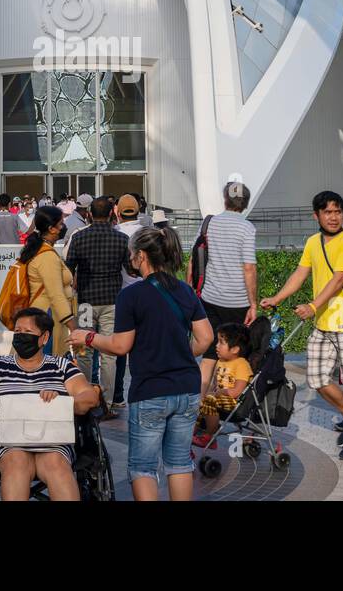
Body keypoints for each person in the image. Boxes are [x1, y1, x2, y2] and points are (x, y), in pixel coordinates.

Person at [69, 225, 213, 500]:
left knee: (143, 467)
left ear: (142, 256)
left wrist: (87, 337)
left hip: (151, 390)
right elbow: (205, 338)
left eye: (132, 253)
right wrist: (179, 351)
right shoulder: (184, 290)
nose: (130, 258)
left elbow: (120, 346)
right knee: (179, 462)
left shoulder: (131, 295)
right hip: (187, 388)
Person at [261, 191, 343, 461]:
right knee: (317, 379)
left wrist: (312, 306)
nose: (333, 217)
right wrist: (278, 297)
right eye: (327, 212)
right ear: (317, 215)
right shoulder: (313, 242)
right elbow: (300, 273)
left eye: (337, 211)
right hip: (324, 323)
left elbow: (338, 280)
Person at [0, 308, 101, 501]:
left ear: (44, 338)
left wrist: (62, 401)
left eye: (27, 332)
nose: (21, 336)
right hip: (8, 441)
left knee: (56, 463)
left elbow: (89, 397)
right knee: (17, 461)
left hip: (53, 440)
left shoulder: (61, 366)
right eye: (17, 332)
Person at [64, 196, 129, 413]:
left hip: (86, 301)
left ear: (90, 213)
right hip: (113, 300)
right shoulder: (121, 239)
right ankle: (108, 403)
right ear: (112, 213)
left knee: (83, 351)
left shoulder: (79, 237)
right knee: (109, 353)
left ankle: (83, 397)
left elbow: (68, 268)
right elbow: (130, 269)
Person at [193, 181, 257, 396]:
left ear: (225, 200)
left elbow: (194, 260)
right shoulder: (247, 228)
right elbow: (249, 268)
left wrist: (193, 290)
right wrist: (253, 304)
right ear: (246, 203)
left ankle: (201, 405)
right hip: (237, 301)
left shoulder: (209, 224)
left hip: (209, 298)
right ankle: (224, 403)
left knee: (210, 352)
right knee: (233, 355)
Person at [21, 206, 77, 357]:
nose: (63, 227)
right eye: (60, 224)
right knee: (44, 370)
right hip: (47, 319)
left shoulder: (41, 249)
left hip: (43, 316)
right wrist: (74, 327)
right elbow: (56, 295)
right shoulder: (46, 256)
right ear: (52, 229)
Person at [192, 322, 252, 446]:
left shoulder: (241, 364)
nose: (217, 346)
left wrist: (219, 393)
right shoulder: (221, 361)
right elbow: (215, 383)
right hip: (219, 398)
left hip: (235, 402)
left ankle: (209, 437)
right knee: (200, 401)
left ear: (235, 349)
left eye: (221, 342)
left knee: (209, 400)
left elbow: (237, 391)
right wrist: (212, 392)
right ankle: (192, 431)